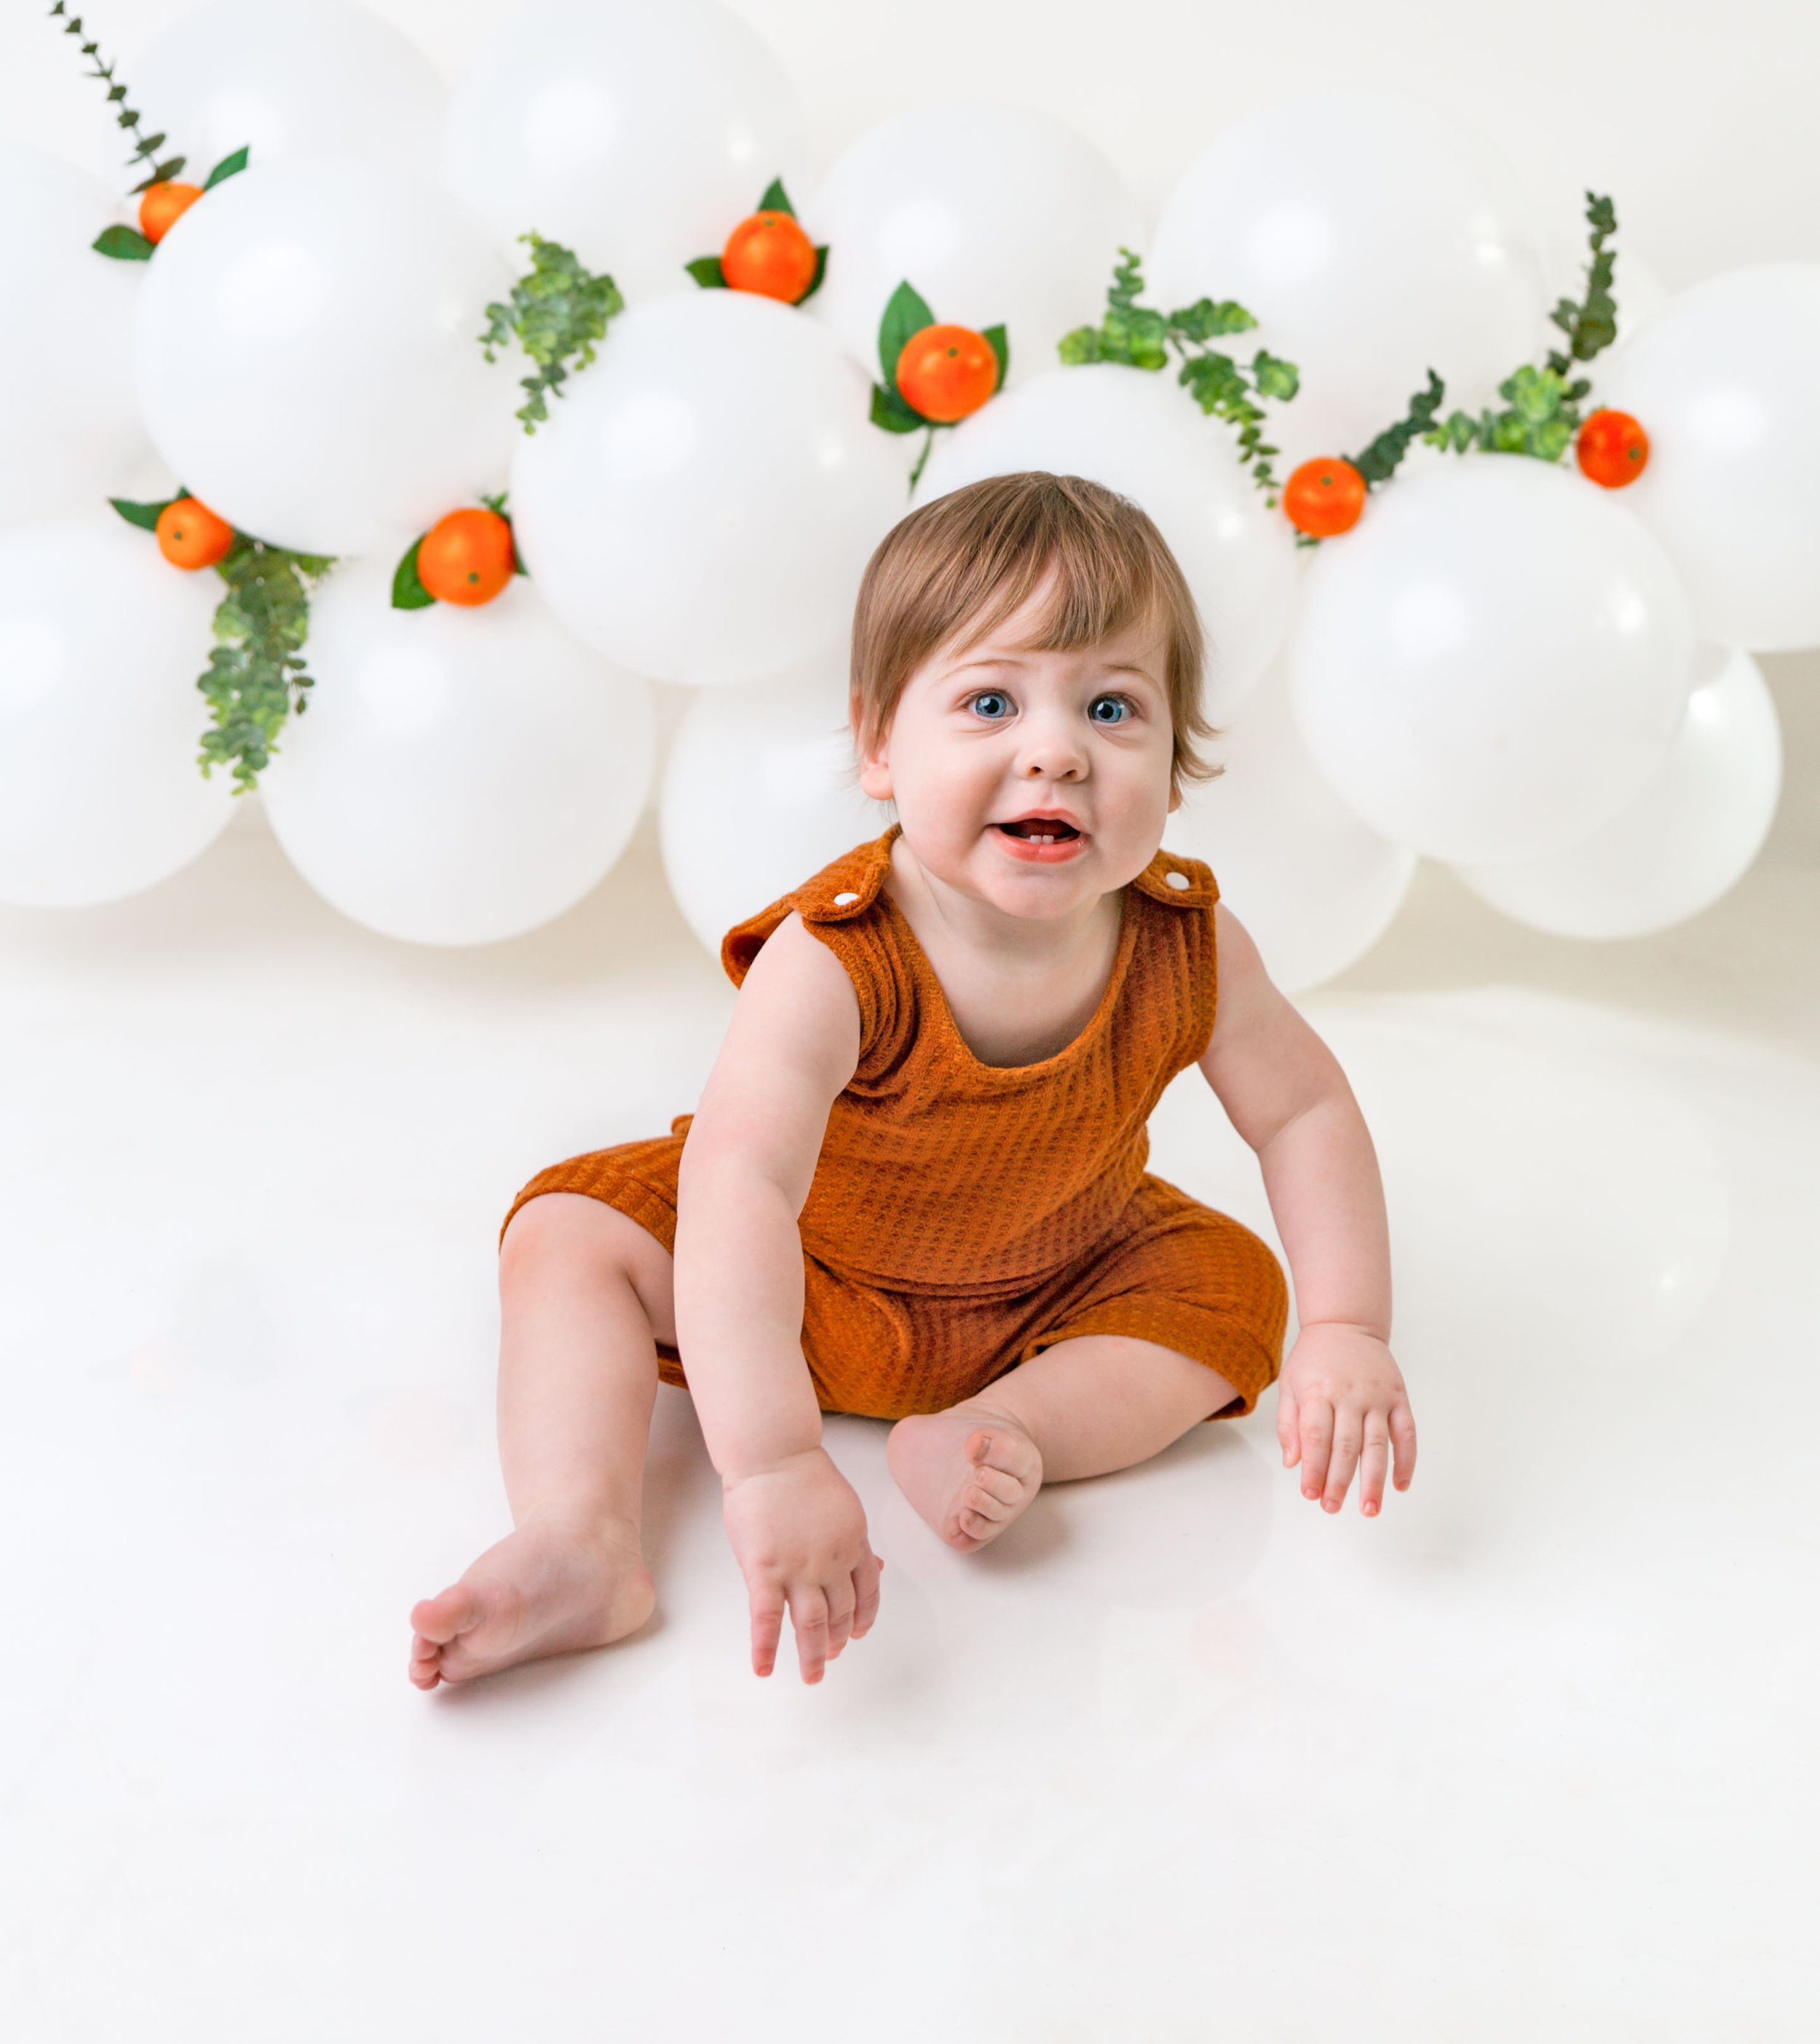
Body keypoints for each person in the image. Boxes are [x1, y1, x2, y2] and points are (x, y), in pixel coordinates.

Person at [409, 470, 1417, 1692]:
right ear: (882, 744)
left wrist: (1350, 1325)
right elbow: (742, 1187)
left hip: (1055, 1279)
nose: (1056, 752)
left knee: (1234, 1288)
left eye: (1113, 707)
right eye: (991, 701)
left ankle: (1009, 1429)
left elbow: (1302, 1108)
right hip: (804, 1284)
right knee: (568, 1234)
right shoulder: (839, 958)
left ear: (1178, 757)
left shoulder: (1188, 943)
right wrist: (774, 1461)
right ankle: (582, 1536)